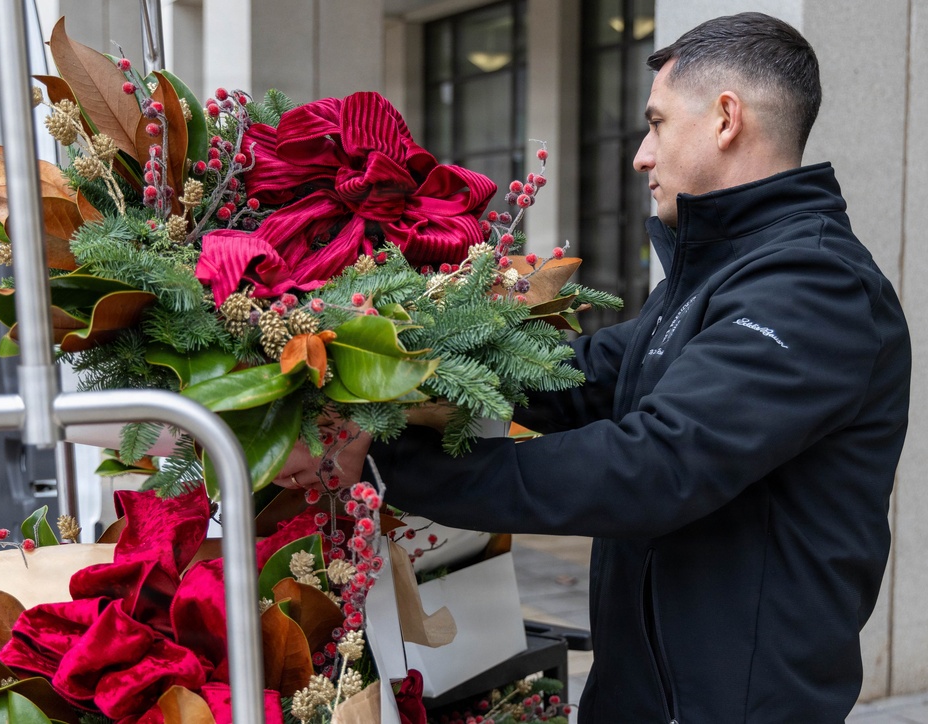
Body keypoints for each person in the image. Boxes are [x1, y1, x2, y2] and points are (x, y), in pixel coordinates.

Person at [277, 12, 911, 723]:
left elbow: (654, 466)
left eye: (658, 124)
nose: (641, 155)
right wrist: (386, 372)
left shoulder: (814, 286)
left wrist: (386, 466)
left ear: (726, 119)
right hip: (643, 694)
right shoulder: (714, 277)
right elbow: (582, 376)